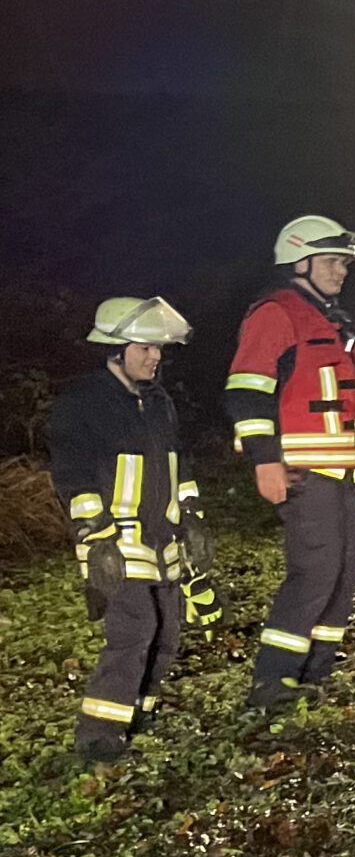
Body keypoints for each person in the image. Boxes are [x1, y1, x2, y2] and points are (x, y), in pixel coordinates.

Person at [48, 297, 207, 763]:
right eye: (145, 348)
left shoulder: (158, 401)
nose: (155, 357)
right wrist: (95, 535)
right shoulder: (85, 403)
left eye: (159, 349)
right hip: (115, 542)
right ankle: (98, 735)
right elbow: (73, 474)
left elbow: (179, 464)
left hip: (164, 539)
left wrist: (192, 517)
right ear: (116, 349)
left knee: (168, 630)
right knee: (134, 629)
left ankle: (139, 712)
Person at [226, 214, 355, 717]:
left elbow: (349, 399)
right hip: (302, 471)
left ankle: (314, 673)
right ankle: (271, 684)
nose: (342, 270)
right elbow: (247, 392)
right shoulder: (276, 313)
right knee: (313, 573)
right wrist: (264, 461)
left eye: (344, 263)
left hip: (337, 471)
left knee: (341, 574)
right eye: (332, 261)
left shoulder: (332, 318)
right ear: (299, 261)